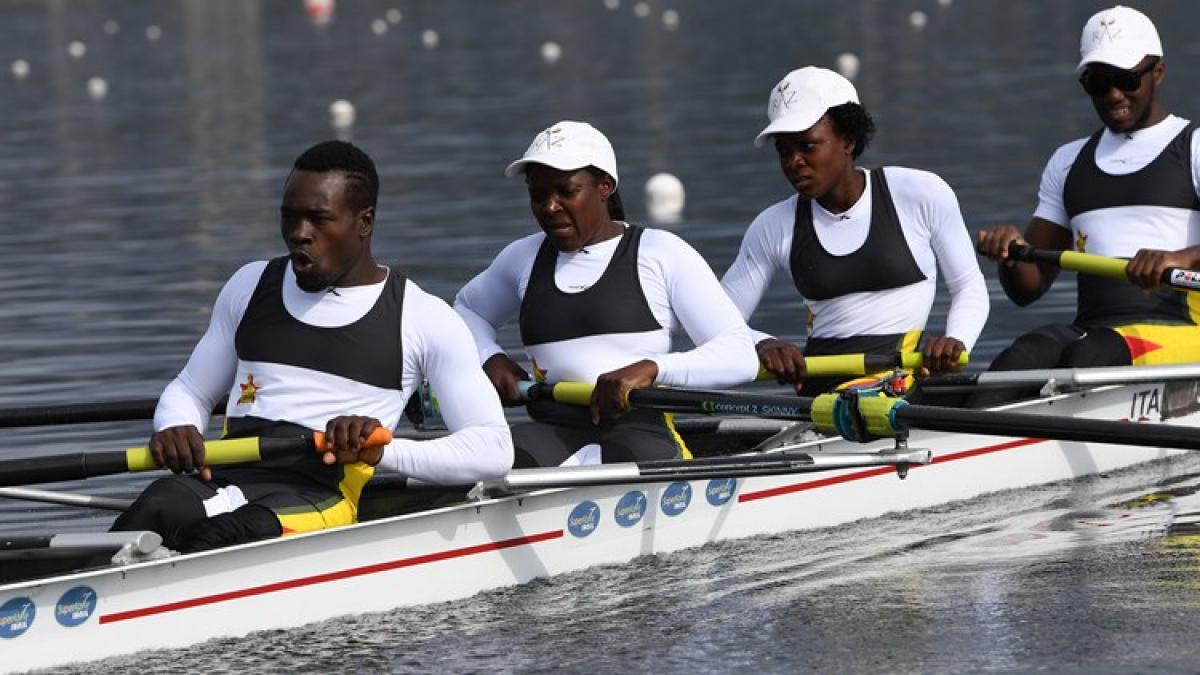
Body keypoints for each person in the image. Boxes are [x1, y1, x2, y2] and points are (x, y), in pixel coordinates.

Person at [111, 140, 513, 552]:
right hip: (227, 477)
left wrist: (381, 452)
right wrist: (177, 428)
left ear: (364, 222)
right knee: (157, 503)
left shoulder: (423, 317)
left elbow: (493, 448)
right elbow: (191, 390)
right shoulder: (249, 286)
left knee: (218, 538)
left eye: (319, 219)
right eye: (290, 216)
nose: (300, 234)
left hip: (318, 495)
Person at [453, 120, 759, 468]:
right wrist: (489, 357)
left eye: (566, 191)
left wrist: (652, 369)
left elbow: (739, 354)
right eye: (538, 195)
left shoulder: (661, 252)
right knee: (494, 457)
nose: (550, 207)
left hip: (639, 432)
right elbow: (466, 310)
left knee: (632, 457)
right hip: (552, 428)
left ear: (605, 186)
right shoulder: (521, 258)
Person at [973, 6, 1200, 406]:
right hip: (1095, 332)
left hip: (1183, 331)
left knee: (1090, 358)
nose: (1113, 95)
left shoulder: (1195, 146)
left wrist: (1179, 257)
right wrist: (1010, 254)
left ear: (1158, 73)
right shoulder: (1068, 161)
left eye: (1126, 79)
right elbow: (1028, 290)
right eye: (1098, 82)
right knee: (1019, 359)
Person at [720, 67, 989, 397]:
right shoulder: (773, 225)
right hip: (822, 395)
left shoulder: (919, 194)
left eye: (807, 146)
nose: (794, 162)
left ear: (848, 140)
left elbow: (968, 286)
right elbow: (719, 321)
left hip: (904, 382)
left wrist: (956, 341)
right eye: (784, 150)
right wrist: (762, 343)